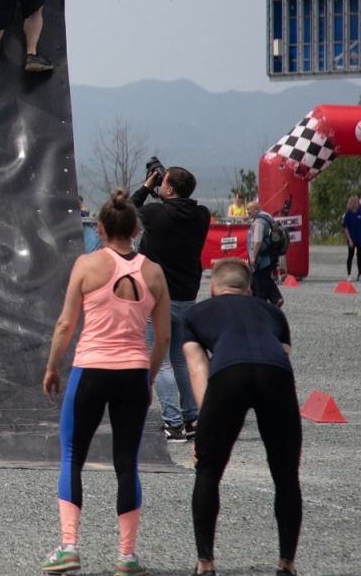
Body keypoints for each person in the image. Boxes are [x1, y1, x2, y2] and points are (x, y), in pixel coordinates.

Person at [41, 189, 170, 576]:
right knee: (127, 463)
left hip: (91, 371)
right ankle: (126, 556)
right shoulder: (155, 273)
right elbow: (162, 339)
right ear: (135, 229)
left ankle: (68, 547)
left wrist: (51, 367)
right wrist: (146, 377)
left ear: (99, 228)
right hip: (132, 373)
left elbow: (66, 323)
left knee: (71, 456)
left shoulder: (87, 264)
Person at [183, 258, 302, 576]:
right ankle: (286, 564)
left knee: (208, 470)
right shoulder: (274, 312)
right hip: (275, 374)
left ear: (212, 288)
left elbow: (198, 369)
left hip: (228, 373)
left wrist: (204, 428)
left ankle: (205, 562)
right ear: (249, 291)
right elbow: (281, 353)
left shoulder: (195, 314)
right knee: (286, 473)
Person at [133, 164, 211, 444]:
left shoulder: (156, 214)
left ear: (167, 189)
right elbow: (178, 208)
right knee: (180, 359)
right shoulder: (202, 215)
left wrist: (146, 187)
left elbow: (126, 210)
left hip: (157, 296)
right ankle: (190, 418)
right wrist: (163, 187)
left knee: (161, 360)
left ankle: (173, 423)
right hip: (187, 294)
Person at [246, 200, 286, 307]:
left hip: (261, 257)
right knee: (262, 278)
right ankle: (276, 298)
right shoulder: (267, 216)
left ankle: (261, 303)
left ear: (256, 209)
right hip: (270, 255)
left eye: (249, 209)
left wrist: (253, 256)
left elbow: (257, 240)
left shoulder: (258, 222)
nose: (247, 212)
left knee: (259, 280)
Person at [340, 195, 361, 282]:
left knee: (360, 256)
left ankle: (360, 274)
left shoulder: (360, 213)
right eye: (355, 202)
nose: (356, 203)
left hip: (360, 237)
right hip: (352, 237)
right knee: (350, 256)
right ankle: (349, 274)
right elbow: (345, 227)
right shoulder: (348, 214)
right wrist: (349, 239)